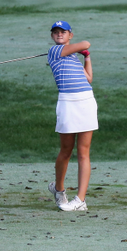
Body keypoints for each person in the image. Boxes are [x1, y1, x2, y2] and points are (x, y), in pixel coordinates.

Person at [47, 20, 98, 211]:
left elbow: (89, 78)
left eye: (63, 31)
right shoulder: (54, 52)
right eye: (56, 32)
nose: (59, 34)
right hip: (68, 104)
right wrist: (80, 49)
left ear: (70, 35)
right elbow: (86, 43)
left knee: (84, 153)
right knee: (66, 151)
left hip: (86, 101)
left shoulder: (72, 58)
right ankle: (59, 190)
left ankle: (80, 200)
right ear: (52, 36)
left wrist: (86, 58)